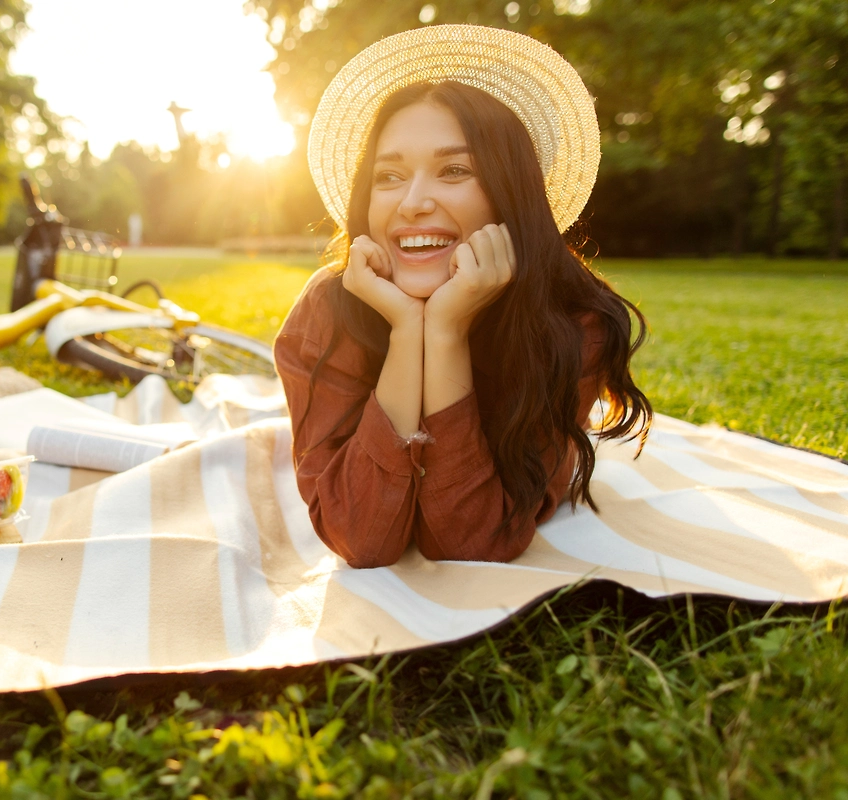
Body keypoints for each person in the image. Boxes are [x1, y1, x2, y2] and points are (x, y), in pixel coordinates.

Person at [275, 25, 652, 569]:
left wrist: (446, 333)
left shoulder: (572, 323)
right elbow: (360, 538)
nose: (413, 202)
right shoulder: (328, 311)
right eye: (389, 176)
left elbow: (468, 543)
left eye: (454, 170)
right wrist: (408, 332)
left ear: (509, 192)